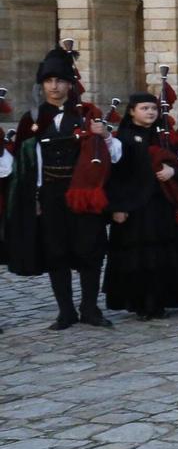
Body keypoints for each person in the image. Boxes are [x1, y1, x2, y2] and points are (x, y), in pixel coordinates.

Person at [8, 48, 116, 329]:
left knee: (89, 250)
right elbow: (24, 163)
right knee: (56, 252)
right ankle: (65, 311)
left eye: (59, 81)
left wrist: (103, 135)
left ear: (70, 84)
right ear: (42, 85)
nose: (54, 87)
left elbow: (111, 155)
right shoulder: (31, 120)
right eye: (49, 81)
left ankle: (90, 309)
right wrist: (33, 197)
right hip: (51, 195)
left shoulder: (86, 115)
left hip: (83, 193)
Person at [104, 93, 178, 321]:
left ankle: (159, 302)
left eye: (153, 108)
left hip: (161, 204)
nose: (150, 112)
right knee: (137, 257)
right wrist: (116, 207)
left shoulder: (164, 136)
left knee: (160, 256)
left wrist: (173, 172)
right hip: (134, 207)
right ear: (132, 111)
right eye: (144, 108)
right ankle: (140, 302)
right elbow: (115, 176)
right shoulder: (123, 137)